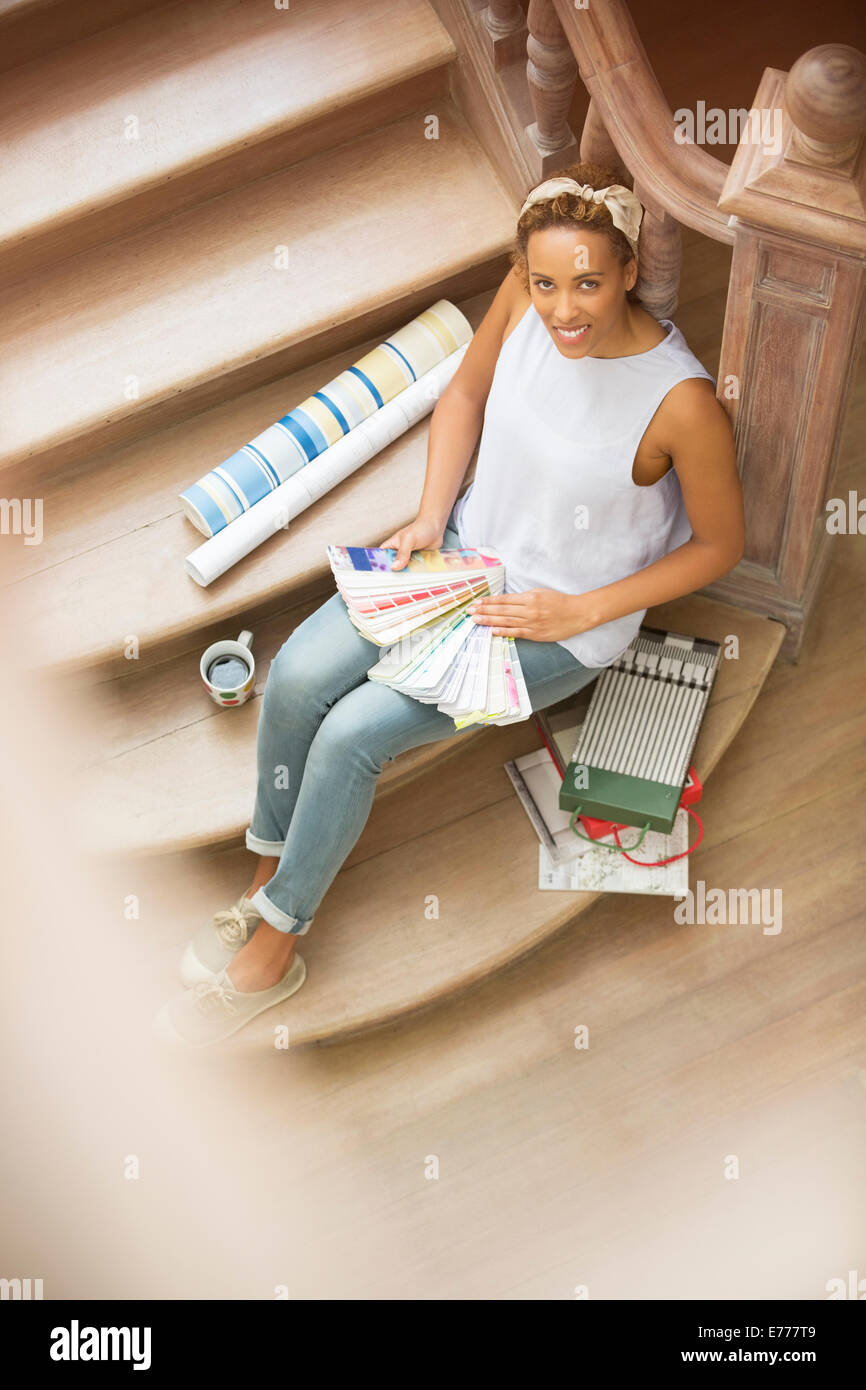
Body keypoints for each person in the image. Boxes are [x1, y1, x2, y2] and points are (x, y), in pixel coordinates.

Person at [154, 160, 744, 1047]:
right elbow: (463, 394)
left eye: (588, 282)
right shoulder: (523, 300)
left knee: (355, 736)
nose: (563, 310)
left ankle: (278, 945)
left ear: (628, 270)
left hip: (556, 622)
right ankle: (269, 877)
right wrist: (433, 514)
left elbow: (719, 547)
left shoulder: (683, 403)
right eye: (546, 283)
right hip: (461, 556)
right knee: (299, 675)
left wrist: (582, 614)